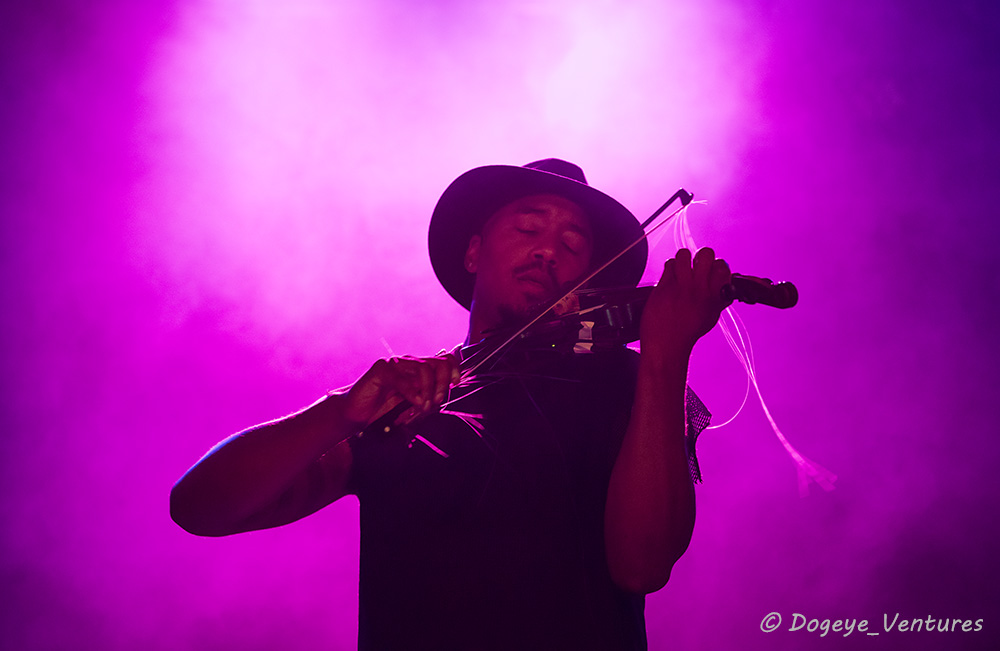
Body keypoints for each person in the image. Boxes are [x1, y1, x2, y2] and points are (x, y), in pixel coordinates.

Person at [171, 158, 732, 650]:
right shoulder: (405, 402)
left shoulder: (629, 381)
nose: (547, 250)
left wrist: (665, 355)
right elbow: (197, 507)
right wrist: (336, 412)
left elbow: (643, 566)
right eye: (529, 227)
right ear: (473, 252)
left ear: (587, 280)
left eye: (572, 245)